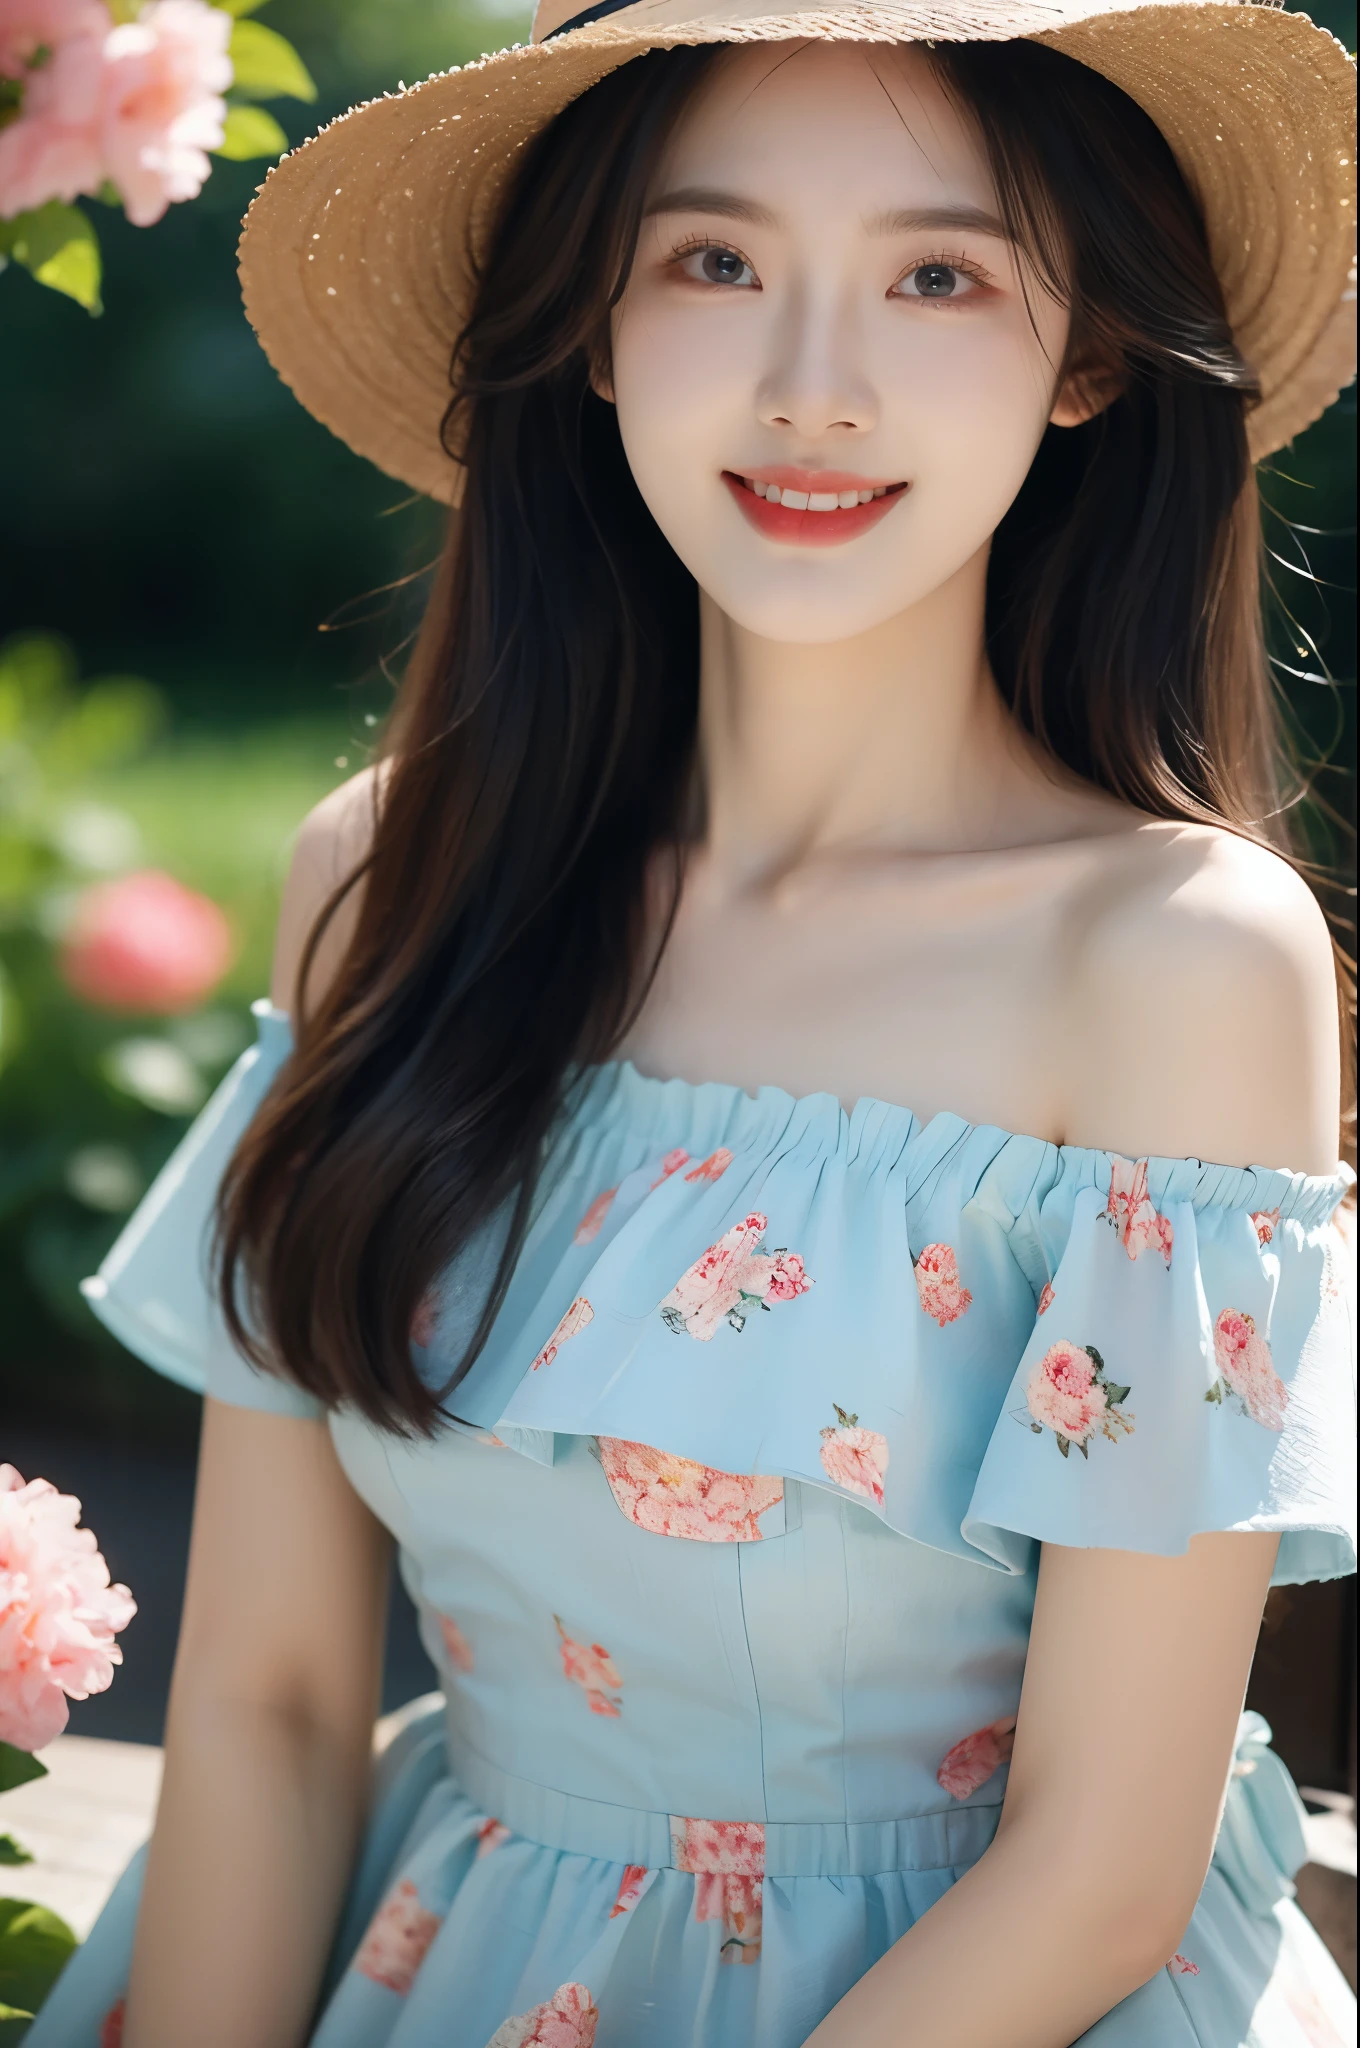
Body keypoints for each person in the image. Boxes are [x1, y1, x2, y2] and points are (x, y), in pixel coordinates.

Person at [30, 5, 1357, 2044]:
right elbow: (275, 1699)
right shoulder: (392, 884)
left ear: (1086, 354)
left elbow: (1101, 1867)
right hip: (450, 1970)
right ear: (592, 324)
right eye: (711, 261)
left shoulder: (1175, 960)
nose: (807, 389)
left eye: (937, 275)